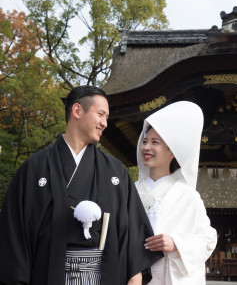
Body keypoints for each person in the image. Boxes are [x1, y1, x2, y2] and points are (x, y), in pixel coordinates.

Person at [0, 86, 163, 285]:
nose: (105, 123)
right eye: (101, 114)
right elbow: (14, 235)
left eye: (106, 117)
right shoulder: (34, 169)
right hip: (47, 274)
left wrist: (136, 273)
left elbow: (133, 227)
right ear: (77, 111)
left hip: (103, 276)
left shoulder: (115, 171)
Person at [135, 101, 217, 285]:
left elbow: (208, 239)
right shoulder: (131, 190)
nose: (146, 147)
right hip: (137, 277)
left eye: (155, 142)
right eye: (145, 141)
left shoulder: (188, 195)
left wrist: (176, 244)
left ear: (171, 151)